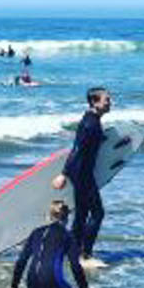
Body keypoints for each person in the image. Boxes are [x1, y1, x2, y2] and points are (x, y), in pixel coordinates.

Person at [9, 200, 97, 288]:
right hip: (52, 280)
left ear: (48, 216)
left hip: (31, 281)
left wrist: (14, 287)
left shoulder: (36, 232)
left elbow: (21, 261)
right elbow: (75, 266)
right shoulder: (68, 236)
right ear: (67, 217)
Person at [52, 87, 112, 265]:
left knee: (81, 214)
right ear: (95, 102)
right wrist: (63, 174)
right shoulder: (90, 123)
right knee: (98, 213)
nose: (110, 103)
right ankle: (85, 254)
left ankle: (73, 250)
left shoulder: (93, 120)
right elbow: (77, 149)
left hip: (82, 172)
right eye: (106, 100)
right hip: (82, 174)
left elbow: (87, 144)